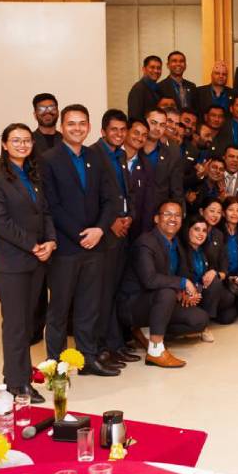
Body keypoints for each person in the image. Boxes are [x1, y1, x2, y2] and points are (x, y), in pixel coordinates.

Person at [38, 104, 120, 376]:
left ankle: (87, 358)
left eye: (82, 123)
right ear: (62, 127)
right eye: (71, 123)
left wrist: (99, 230)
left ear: (89, 127)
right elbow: (51, 205)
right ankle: (56, 365)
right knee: (60, 309)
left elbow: (111, 199)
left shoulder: (97, 156)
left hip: (96, 245)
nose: (77, 128)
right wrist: (80, 234)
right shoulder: (48, 159)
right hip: (65, 247)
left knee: (89, 306)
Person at [0, 123, 57, 402]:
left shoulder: (33, 175)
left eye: (26, 140)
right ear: (4, 144)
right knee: (16, 324)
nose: (22, 145)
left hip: (36, 261)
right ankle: (17, 384)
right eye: (16, 140)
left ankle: (14, 374)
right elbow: (0, 222)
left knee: (28, 322)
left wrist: (51, 241)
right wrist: (33, 245)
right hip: (10, 262)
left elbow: (45, 213)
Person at [122, 199, 206, 368]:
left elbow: (182, 272)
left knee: (199, 319)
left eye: (177, 215)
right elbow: (149, 280)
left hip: (160, 301)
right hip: (134, 304)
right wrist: (182, 283)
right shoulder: (145, 242)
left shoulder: (176, 243)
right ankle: (155, 350)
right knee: (166, 293)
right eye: (167, 214)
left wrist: (184, 292)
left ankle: (148, 331)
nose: (173, 218)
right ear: (156, 218)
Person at [89, 110, 135, 370]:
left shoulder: (120, 155)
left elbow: (125, 193)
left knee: (114, 293)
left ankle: (115, 344)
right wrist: (110, 222)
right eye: (114, 129)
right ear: (103, 131)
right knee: (101, 295)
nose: (119, 134)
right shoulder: (94, 155)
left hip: (122, 231)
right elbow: (93, 197)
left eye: (122, 130)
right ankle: (101, 348)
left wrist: (128, 217)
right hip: (105, 235)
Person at [179, 215, 237, 333]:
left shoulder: (203, 250)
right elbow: (180, 277)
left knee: (229, 309)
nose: (201, 234)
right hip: (186, 295)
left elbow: (212, 271)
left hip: (200, 291)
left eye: (204, 231)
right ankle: (205, 325)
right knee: (216, 285)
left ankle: (206, 314)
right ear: (187, 230)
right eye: (196, 229)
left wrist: (213, 272)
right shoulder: (181, 250)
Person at [128, 55, 164, 121]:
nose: (156, 71)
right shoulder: (138, 89)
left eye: (158, 68)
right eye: (152, 67)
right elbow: (134, 116)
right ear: (144, 69)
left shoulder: (158, 88)